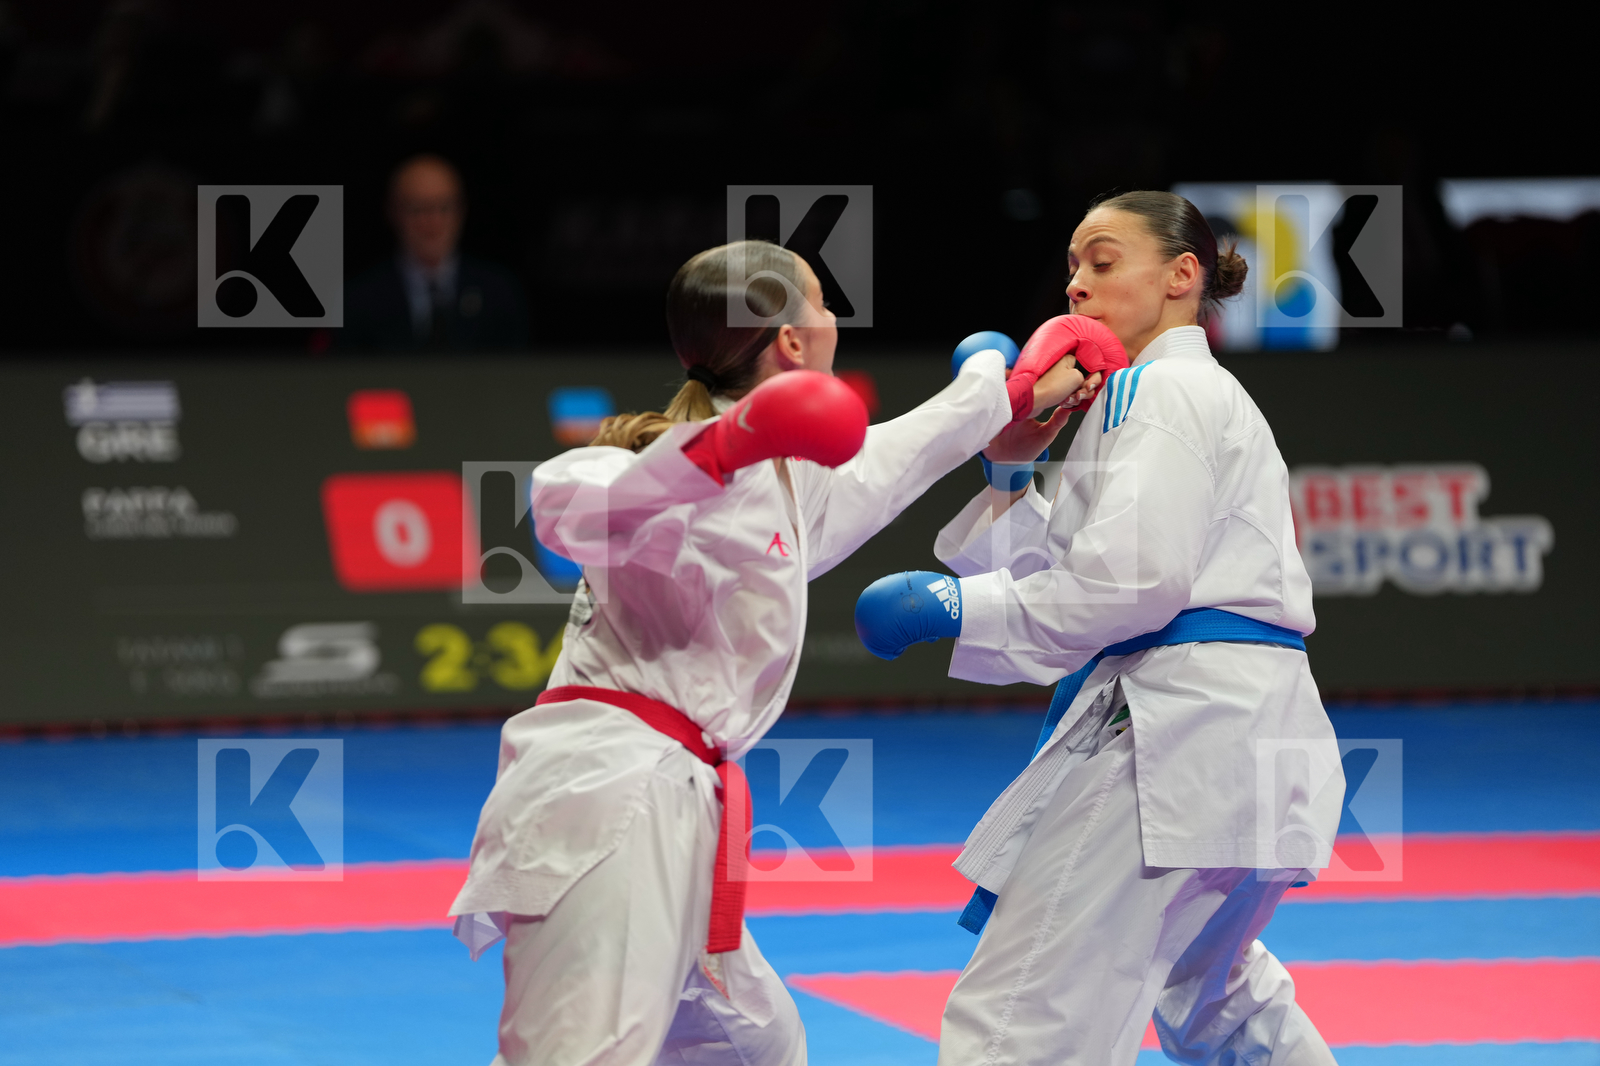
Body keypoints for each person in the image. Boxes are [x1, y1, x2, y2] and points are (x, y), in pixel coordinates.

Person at [447, 239, 1094, 1066]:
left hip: (684, 809)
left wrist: (1000, 381)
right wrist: (729, 445)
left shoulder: (793, 480)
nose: (832, 320)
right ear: (791, 342)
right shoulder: (666, 470)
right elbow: (564, 507)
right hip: (604, 798)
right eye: (821, 303)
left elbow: (914, 448)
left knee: (758, 1046)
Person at [854, 191, 1344, 1066]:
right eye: (1074, 265)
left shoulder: (1167, 387)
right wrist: (1010, 475)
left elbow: (1130, 589)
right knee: (1214, 999)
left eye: (1104, 262)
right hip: (1244, 738)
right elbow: (1071, 583)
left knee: (1020, 1017)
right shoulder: (1145, 399)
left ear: (1182, 276)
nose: (1076, 284)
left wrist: (956, 607)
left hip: (1176, 738)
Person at [342, 153, 528, 351]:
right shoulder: (359, 299)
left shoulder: (499, 292)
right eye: (417, 209)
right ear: (393, 211)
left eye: (444, 208)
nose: (432, 221)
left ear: (461, 211)